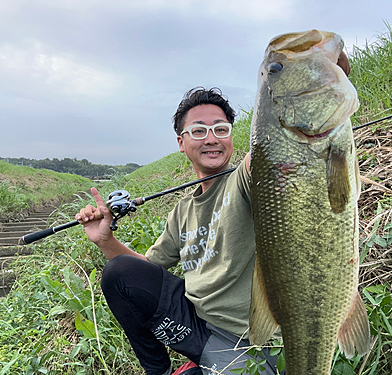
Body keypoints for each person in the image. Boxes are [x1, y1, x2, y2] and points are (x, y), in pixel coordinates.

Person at [76, 53, 351, 375]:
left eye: (221, 129)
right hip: (197, 323)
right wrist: (105, 240)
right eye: (198, 131)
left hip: (246, 338)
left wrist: (317, 78)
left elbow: (275, 149)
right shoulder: (183, 211)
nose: (211, 139)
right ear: (181, 142)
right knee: (119, 272)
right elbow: (147, 270)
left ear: (232, 136)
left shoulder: (250, 178)